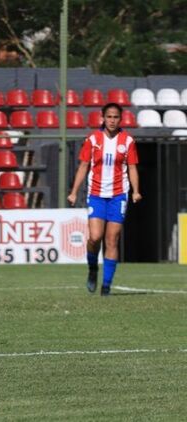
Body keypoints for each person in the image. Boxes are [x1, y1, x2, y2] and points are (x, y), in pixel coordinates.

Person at [68, 102, 141, 296]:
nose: (112, 120)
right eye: (109, 116)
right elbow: (84, 166)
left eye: (116, 117)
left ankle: (106, 285)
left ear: (120, 119)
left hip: (118, 195)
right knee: (95, 237)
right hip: (97, 194)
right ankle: (93, 269)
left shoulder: (127, 141)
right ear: (103, 118)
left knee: (112, 239)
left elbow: (132, 167)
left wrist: (136, 190)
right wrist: (74, 191)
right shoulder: (93, 139)